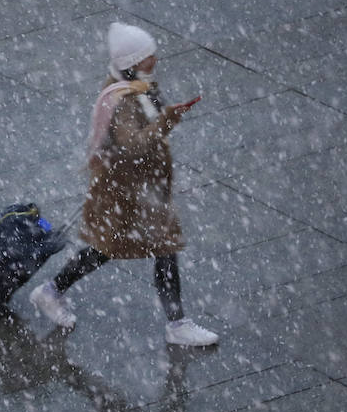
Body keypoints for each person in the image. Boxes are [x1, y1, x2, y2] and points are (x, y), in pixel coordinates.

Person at [30, 22, 218, 346]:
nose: (154, 59)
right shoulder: (127, 100)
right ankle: (177, 325)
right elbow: (133, 146)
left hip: (136, 189)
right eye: (148, 55)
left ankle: (51, 291)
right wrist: (166, 119)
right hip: (130, 191)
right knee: (155, 247)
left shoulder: (138, 88)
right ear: (133, 62)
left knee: (115, 248)